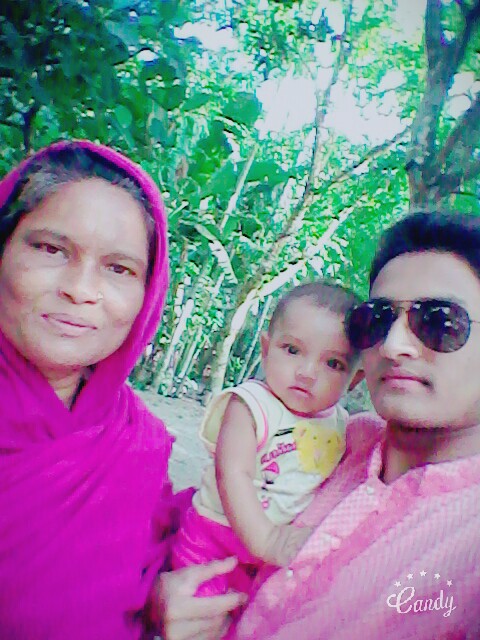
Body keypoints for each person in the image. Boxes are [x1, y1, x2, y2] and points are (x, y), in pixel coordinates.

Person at [0, 140, 244, 640]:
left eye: (118, 269)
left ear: (147, 294)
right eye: (50, 249)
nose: (80, 289)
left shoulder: (136, 442)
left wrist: (156, 598)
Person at [222, 211, 480, 640]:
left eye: (439, 321)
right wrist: (162, 594)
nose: (393, 345)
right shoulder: (337, 438)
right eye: (378, 320)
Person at [172, 282, 364, 597]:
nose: (307, 372)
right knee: (198, 608)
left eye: (333, 364)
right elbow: (232, 473)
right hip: (214, 537)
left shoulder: (341, 425)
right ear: (266, 349)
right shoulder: (250, 405)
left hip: (274, 552)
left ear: (354, 380)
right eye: (292, 350)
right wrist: (266, 539)